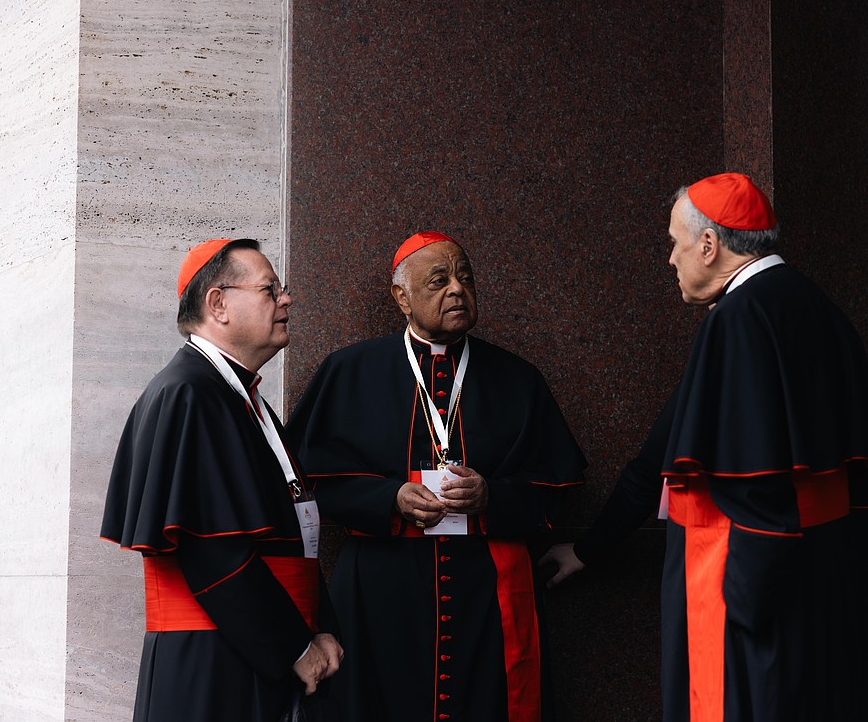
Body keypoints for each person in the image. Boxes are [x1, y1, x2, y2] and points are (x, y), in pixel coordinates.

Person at [540, 173, 868, 722]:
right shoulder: (819, 308)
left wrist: (746, 611)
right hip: (832, 596)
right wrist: (590, 548)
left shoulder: (738, 319)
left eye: (675, 242)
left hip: (749, 609)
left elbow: (757, 490)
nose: (671, 259)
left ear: (710, 245)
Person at [287, 230, 587, 722]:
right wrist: (389, 498)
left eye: (465, 278)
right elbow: (307, 485)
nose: (456, 290)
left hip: (485, 596)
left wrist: (492, 495)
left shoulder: (517, 379)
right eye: (439, 280)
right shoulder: (349, 372)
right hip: (381, 590)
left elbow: (555, 492)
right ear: (401, 297)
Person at [101, 238, 344, 721]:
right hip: (216, 660)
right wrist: (296, 647)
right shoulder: (187, 394)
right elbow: (212, 552)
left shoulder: (239, 397)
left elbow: (290, 528)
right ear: (218, 304)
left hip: (252, 646)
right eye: (270, 289)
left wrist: (321, 627)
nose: (286, 299)